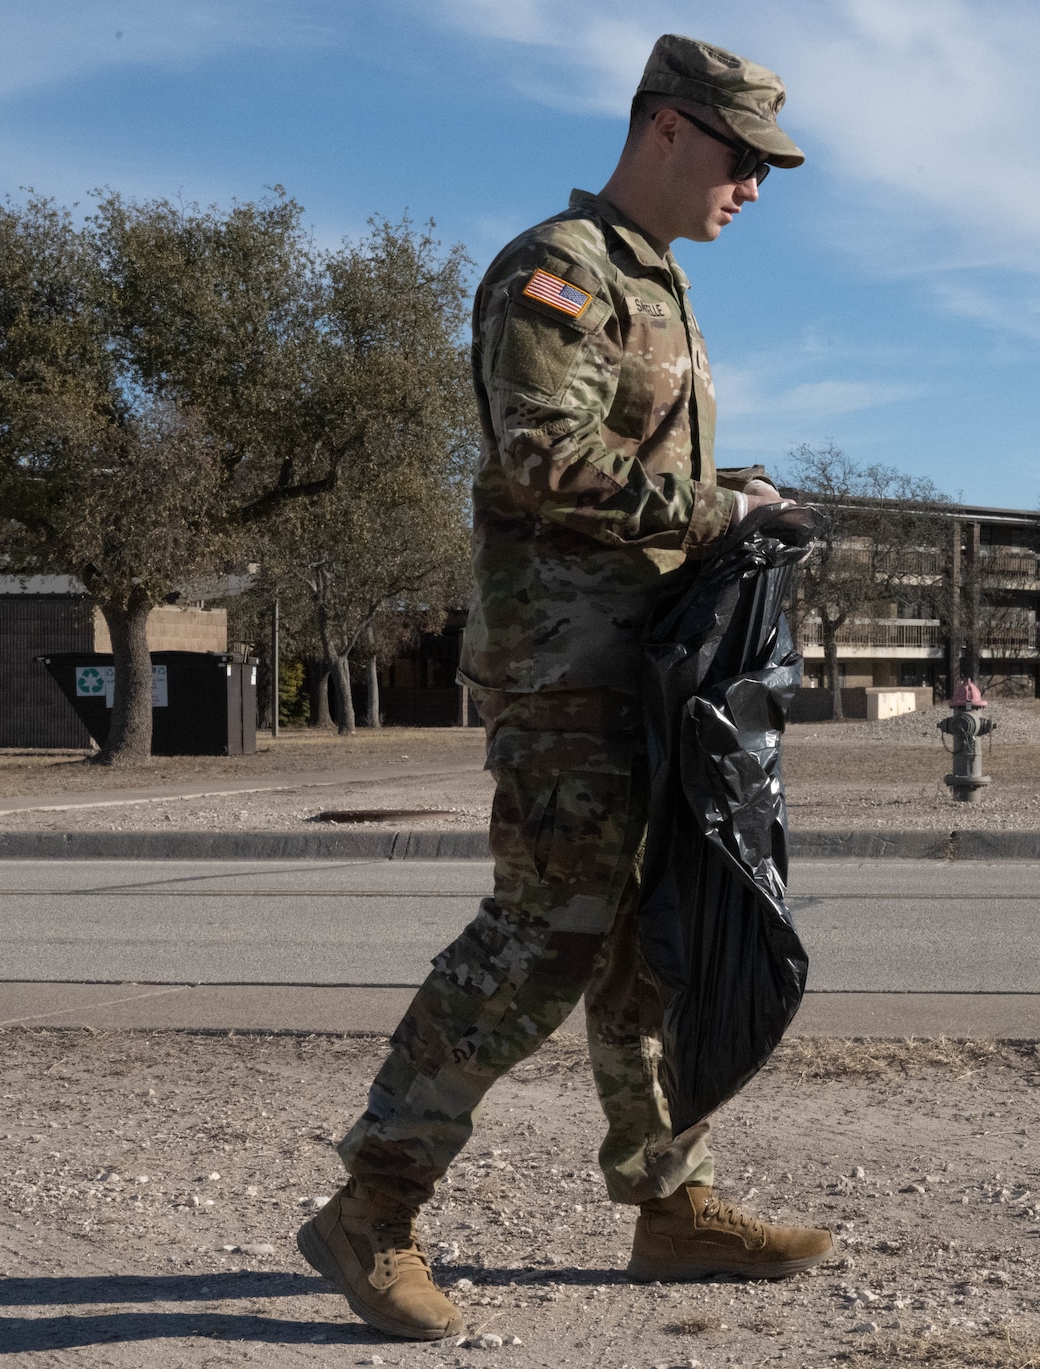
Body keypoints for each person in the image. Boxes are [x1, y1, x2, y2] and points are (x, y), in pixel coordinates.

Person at [297, 34, 832, 1341]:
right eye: (741, 155)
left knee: (654, 946)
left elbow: (639, 466)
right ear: (665, 130)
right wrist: (716, 510)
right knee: (540, 943)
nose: (754, 185)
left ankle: (669, 1202)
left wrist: (741, 497)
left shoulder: (664, 290)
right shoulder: (560, 273)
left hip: (648, 679)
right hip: (569, 678)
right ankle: (370, 1207)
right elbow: (542, 456)